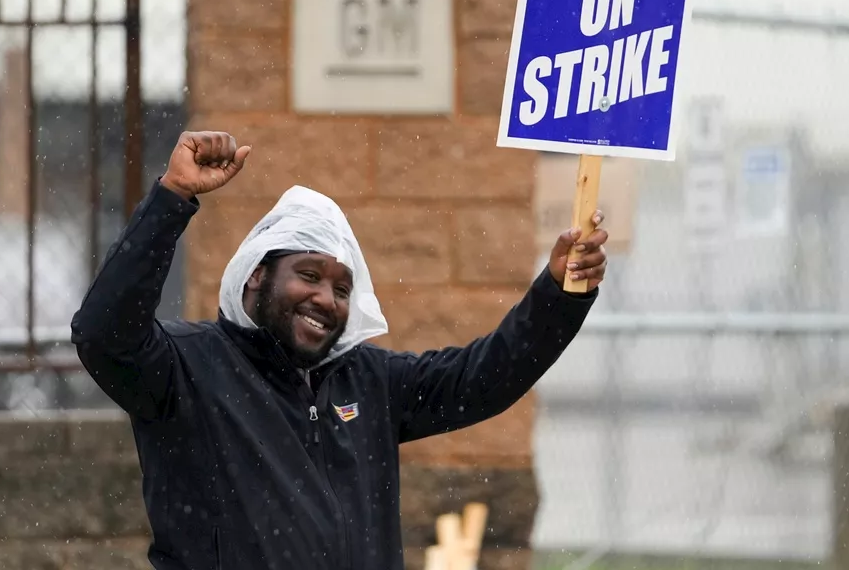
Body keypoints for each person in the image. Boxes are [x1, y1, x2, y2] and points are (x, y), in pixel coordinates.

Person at [71, 130, 609, 570]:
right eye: (308, 275)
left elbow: (484, 376)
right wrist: (172, 196)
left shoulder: (369, 382)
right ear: (256, 276)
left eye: (342, 288)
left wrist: (560, 293)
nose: (325, 299)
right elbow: (103, 334)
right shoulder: (189, 368)